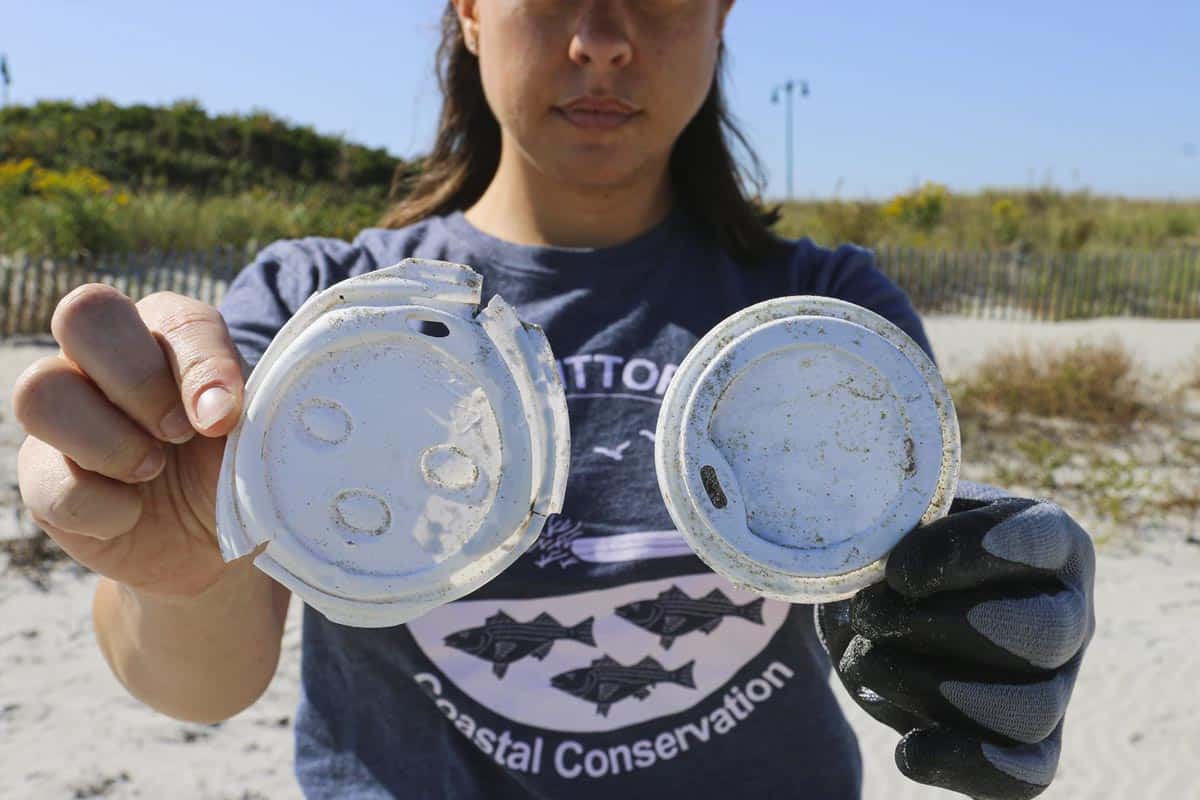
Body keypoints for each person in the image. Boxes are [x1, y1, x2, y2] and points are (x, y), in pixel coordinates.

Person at [12, 2, 1095, 798]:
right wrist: (181, 556)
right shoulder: (323, 320)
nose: (606, 37)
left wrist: (978, 619)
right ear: (469, 12)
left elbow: (893, 603)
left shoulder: (818, 325)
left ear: (723, 16)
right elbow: (201, 685)